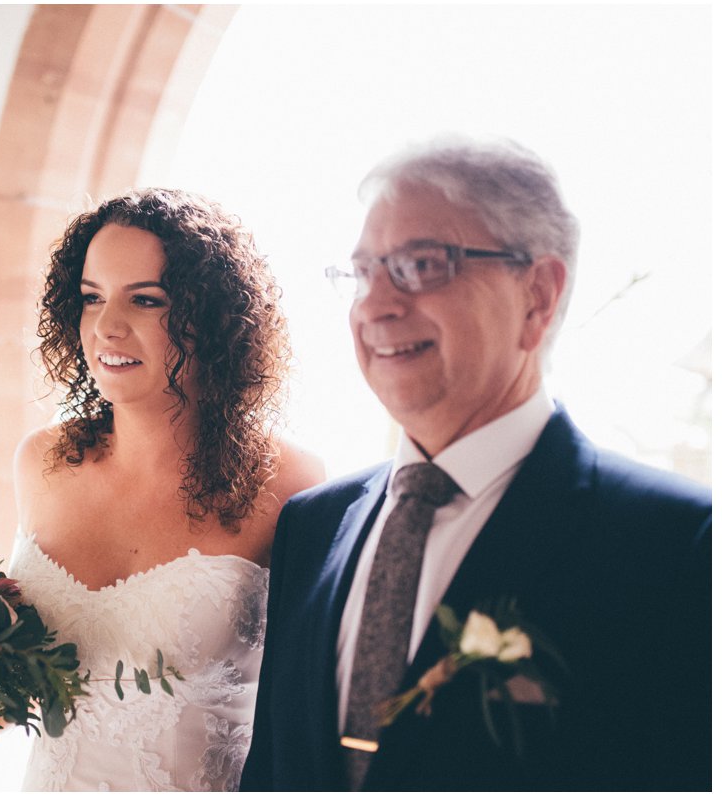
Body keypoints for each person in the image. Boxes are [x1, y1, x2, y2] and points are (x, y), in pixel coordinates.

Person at [241, 137, 711, 792]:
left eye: (422, 264)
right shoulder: (312, 526)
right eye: (363, 272)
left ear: (538, 295)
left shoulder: (680, 546)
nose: (375, 304)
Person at [8, 188, 325, 791]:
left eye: (146, 300)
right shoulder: (41, 461)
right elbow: (10, 677)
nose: (107, 327)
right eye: (91, 298)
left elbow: (310, 716)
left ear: (212, 320)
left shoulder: (293, 485)